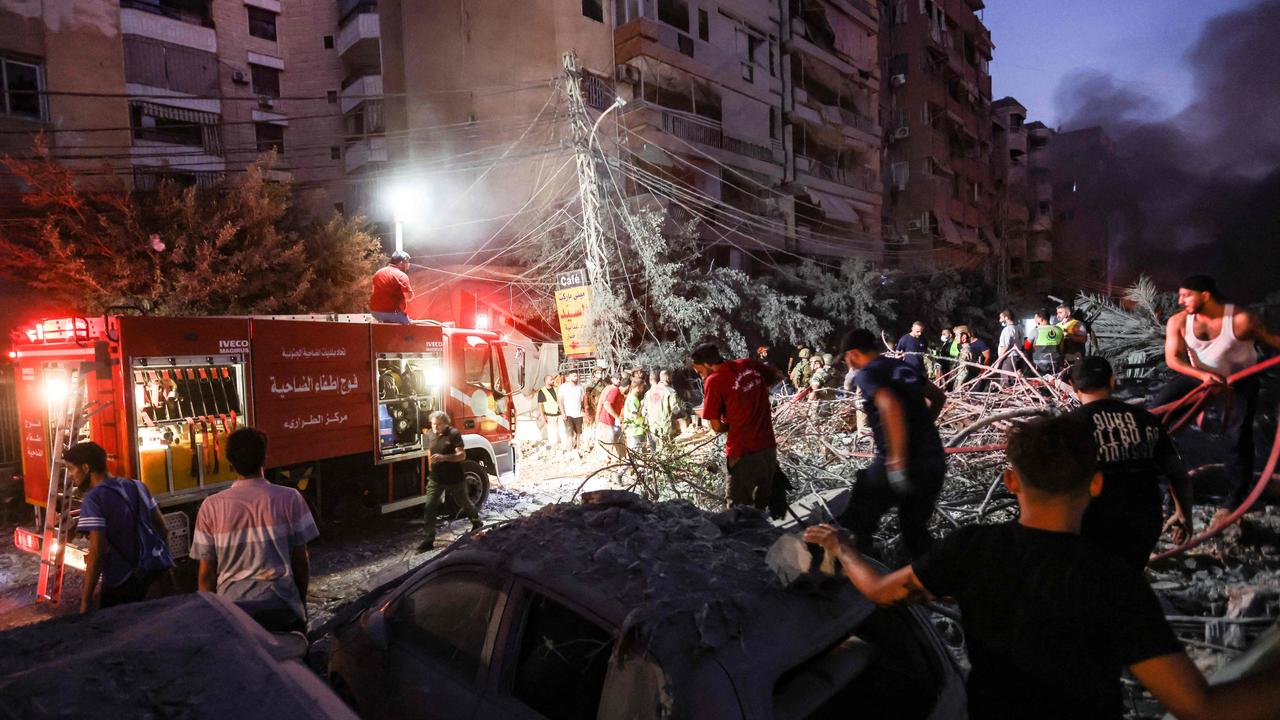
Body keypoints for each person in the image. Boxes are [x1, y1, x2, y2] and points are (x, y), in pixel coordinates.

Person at [804, 415, 1280, 720]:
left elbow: (884, 591)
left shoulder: (974, 548)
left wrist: (843, 548)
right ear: (1095, 485)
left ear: (1010, 481)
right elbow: (1198, 706)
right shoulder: (1111, 579)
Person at [1158, 275, 1280, 526]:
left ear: (1205, 295)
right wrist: (1203, 375)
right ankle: (1156, 484)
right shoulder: (1179, 321)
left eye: (1186, 295)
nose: (1180, 300)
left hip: (1239, 381)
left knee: (1238, 435)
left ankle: (1235, 498)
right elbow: (1173, 359)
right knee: (1154, 414)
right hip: (1200, 377)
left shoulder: (1241, 320)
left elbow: (1273, 341)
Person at [1070, 357, 1195, 569]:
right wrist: (1184, 514)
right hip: (1144, 523)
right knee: (1129, 574)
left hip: (1092, 525)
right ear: (1112, 382)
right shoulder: (1146, 420)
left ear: (1074, 387)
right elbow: (1179, 475)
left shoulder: (1068, 426)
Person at [191, 428, 318, 632]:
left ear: (230, 463)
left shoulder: (210, 506)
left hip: (233, 612)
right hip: (282, 608)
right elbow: (301, 561)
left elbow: (206, 575)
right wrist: (301, 605)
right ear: (264, 459)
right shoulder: (290, 498)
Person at [837, 328, 947, 559]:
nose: (849, 364)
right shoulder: (903, 367)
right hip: (933, 461)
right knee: (914, 532)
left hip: (902, 462)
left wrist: (897, 462)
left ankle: (857, 571)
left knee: (858, 513)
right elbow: (938, 397)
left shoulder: (867, 374)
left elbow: (889, 404)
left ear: (854, 353)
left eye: (847, 358)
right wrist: (922, 429)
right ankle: (931, 583)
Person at [68, 441, 172, 613]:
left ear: (85, 467)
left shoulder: (94, 498)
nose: (71, 476)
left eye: (71, 469)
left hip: (121, 582)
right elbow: (163, 529)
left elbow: (96, 552)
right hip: (152, 573)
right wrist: (164, 565)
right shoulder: (138, 486)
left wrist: (85, 601)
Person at [690, 343, 783, 510]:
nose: (702, 377)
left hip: (742, 453)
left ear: (706, 364)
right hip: (768, 449)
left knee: (738, 513)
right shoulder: (748, 364)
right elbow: (775, 376)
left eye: (700, 372)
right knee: (761, 507)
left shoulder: (714, 381)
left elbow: (716, 426)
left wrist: (733, 426)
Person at [417, 411, 482, 551]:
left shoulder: (454, 434)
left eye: (439, 424)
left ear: (446, 423)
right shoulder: (430, 434)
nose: (436, 427)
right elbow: (430, 451)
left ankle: (477, 521)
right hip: (436, 479)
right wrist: (430, 467)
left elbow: (461, 455)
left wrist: (443, 457)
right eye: (434, 424)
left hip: (454, 478)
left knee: (463, 502)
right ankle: (428, 540)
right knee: (430, 507)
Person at [369, 251, 413, 324]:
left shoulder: (378, 273)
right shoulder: (401, 275)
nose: (408, 265)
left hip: (375, 313)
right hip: (392, 314)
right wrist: (411, 294)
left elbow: (373, 291)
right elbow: (408, 297)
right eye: (407, 262)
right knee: (410, 331)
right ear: (401, 263)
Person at [643, 369, 680, 447]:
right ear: (667, 377)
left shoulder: (648, 393)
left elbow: (644, 411)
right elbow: (676, 410)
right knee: (668, 451)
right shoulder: (670, 391)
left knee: (656, 451)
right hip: (666, 427)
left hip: (653, 428)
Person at [593, 373, 626, 460]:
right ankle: (607, 460)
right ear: (612, 379)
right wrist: (597, 416)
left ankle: (623, 459)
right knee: (609, 441)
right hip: (607, 421)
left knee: (618, 439)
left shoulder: (618, 390)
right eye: (616, 378)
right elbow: (603, 403)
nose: (618, 380)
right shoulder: (611, 389)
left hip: (614, 422)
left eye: (620, 378)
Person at [557, 371, 586, 454]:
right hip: (568, 413)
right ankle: (569, 450)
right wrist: (563, 413)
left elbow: (583, 399)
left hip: (578, 413)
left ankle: (577, 449)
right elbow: (560, 401)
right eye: (574, 376)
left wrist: (583, 409)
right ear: (569, 377)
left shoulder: (580, 387)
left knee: (578, 432)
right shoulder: (563, 387)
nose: (576, 377)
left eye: (577, 376)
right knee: (569, 432)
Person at [1031, 309, 1065, 375]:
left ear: (1041, 319)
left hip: (1039, 363)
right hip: (1055, 362)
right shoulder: (1059, 330)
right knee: (1054, 382)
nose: (1035, 320)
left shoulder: (1036, 330)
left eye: (1036, 318)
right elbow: (1061, 349)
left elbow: (1027, 346)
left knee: (1040, 383)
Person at [995, 309, 1024, 385]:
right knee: (1016, 381)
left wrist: (998, 361)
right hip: (1017, 357)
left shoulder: (1007, 329)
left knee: (1006, 383)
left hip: (1009, 359)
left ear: (1006, 318)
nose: (1000, 320)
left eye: (1001, 318)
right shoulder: (1018, 328)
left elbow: (1006, 346)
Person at [622, 380, 650, 453]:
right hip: (635, 432)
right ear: (638, 387)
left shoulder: (633, 398)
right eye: (642, 388)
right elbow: (635, 416)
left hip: (635, 431)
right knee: (638, 454)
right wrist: (642, 406)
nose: (643, 390)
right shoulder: (632, 399)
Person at [535, 375, 562, 448]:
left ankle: (560, 445)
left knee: (560, 430)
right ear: (546, 381)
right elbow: (540, 405)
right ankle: (554, 447)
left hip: (559, 414)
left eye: (553, 379)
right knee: (552, 432)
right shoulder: (542, 391)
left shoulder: (556, 389)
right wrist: (543, 416)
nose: (553, 381)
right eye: (551, 380)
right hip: (550, 415)